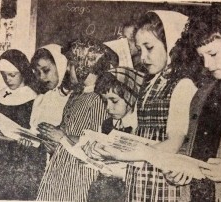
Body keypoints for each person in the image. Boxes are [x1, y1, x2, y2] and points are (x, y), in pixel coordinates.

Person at [85, 11, 200, 202]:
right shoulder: (150, 82)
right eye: (140, 50)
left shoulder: (183, 84)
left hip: (162, 179)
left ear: (172, 45)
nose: (143, 57)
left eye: (149, 48)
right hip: (139, 176)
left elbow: (174, 143)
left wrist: (127, 153)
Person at [169, 5, 221, 202]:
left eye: (213, 54)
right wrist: (177, 167)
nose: (206, 64)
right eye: (202, 56)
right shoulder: (202, 93)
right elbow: (191, 143)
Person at [36, 38, 119, 202]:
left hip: (79, 176)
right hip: (61, 169)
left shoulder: (98, 98)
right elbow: (65, 132)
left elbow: (95, 142)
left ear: (85, 66)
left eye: (72, 64)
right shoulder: (76, 94)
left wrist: (61, 137)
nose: (67, 68)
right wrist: (52, 140)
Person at [0, 49, 47, 200]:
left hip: (18, 168)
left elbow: (37, 141)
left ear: (23, 71)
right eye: (4, 75)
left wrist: (3, 137)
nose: (7, 80)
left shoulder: (36, 98)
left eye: (12, 75)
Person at [86, 66, 145, 202]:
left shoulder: (143, 126)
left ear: (131, 95)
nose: (108, 108)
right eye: (105, 101)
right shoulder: (107, 124)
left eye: (114, 101)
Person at [30, 44, 70, 131]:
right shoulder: (40, 99)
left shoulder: (74, 98)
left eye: (46, 70)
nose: (41, 77)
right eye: (37, 72)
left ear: (60, 66)